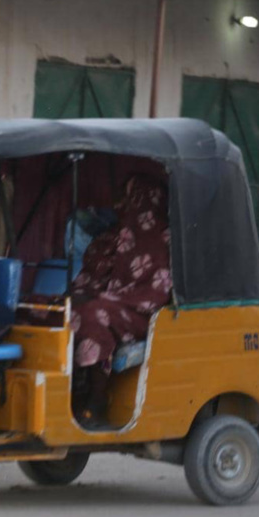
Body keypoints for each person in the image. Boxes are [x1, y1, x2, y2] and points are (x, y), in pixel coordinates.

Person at [71, 175, 172, 428]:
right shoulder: (113, 236)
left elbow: (156, 293)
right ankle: (72, 390)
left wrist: (106, 297)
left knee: (94, 316)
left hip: (140, 311)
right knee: (58, 308)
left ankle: (97, 398)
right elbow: (89, 278)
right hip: (110, 301)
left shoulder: (165, 240)